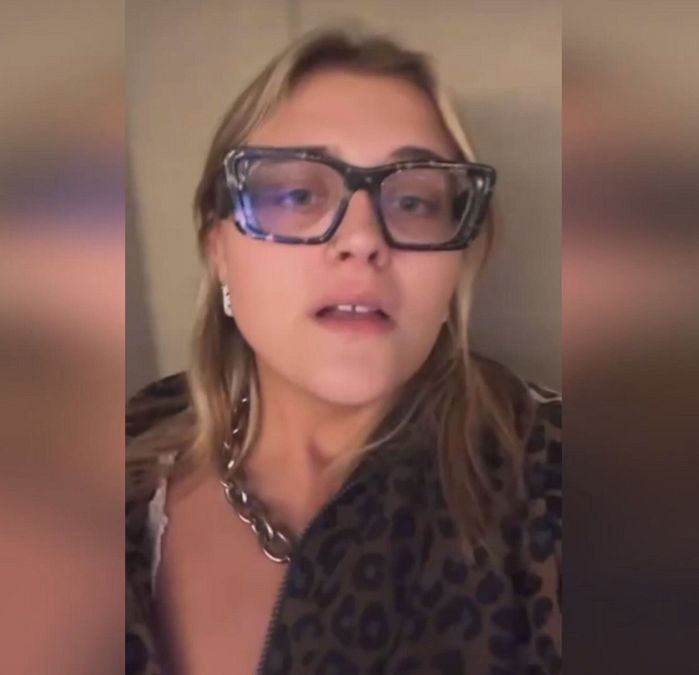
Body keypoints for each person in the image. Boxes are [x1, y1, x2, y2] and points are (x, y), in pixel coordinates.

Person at [127, 28, 561, 675]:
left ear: (457, 264)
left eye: (412, 201)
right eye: (298, 195)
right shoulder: (115, 454)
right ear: (219, 250)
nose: (362, 239)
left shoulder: (551, 474)